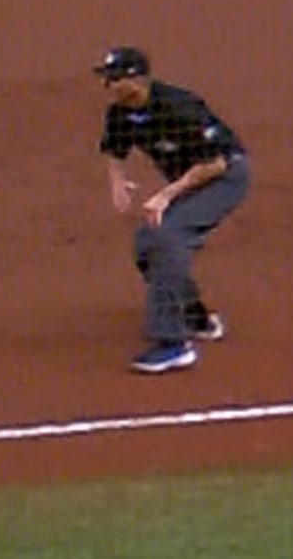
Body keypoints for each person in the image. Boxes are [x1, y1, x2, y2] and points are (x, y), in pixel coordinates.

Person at [94, 46, 251, 374]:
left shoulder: (178, 107)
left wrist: (166, 195)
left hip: (223, 177)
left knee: (167, 238)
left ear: (136, 80)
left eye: (114, 78)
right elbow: (114, 148)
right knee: (146, 245)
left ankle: (173, 344)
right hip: (190, 180)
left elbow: (215, 163)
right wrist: (117, 181)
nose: (107, 85)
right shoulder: (121, 112)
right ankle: (195, 317)